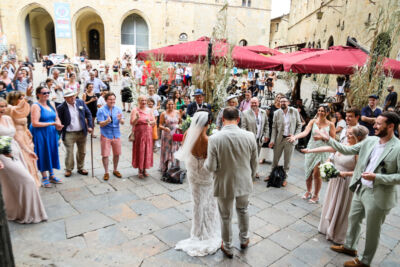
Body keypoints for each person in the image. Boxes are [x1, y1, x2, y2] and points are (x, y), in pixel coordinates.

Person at [315, 112, 400, 267]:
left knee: (372, 230)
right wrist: (328, 139)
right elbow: (348, 150)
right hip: (360, 188)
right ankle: (350, 247)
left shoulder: (398, 147)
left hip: (379, 195)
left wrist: (377, 177)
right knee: (353, 220)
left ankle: (365, 261)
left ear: (391, 126)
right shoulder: (371, 141)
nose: (374, 126)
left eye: (379, 124)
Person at [204, 107, 258, 259]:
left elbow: (211, 166)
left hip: (224, 182)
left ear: (222, 119)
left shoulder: (215, 138)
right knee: (243, 210)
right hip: (244, 181)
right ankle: (244, 238)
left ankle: (227, 246)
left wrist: (205, 165)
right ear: (238, 119)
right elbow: (254, 163)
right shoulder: (250, 136)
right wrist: (250, 178)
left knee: (226, 216)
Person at [302, 125, 368, 244]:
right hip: (335, 180)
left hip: (346, 183)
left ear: (359, 137)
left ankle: (338, 234)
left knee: (341, 207)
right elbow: (329, 149)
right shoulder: (345, 145)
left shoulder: (359, 152)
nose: (347, 136)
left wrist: (344, 173)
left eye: (351, 134)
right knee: (331, 202)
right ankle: (327, 228)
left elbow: (361, 172)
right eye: (347, 133)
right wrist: (310, 151)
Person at [175, 109, 221, 256]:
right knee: (209, 201)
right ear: (209, 123)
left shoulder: (188, 133)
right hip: (206, 175)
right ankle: (207, 231)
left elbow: (184, 149)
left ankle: (196, 231)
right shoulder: (209, 140)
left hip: (193, 173)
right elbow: (213, 162)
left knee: (196, 202)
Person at [0, 99, 48, 223]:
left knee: (15, 184)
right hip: (3, 155)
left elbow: (16, 137)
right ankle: (29, 213)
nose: (3, 109)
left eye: (4, 106)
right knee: (28, 181)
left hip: (16, 152)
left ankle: (20, 212)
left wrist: (28, 151)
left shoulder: (8, 119)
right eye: (0, 107)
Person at [288, 105, 335, 203]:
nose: (320, 112)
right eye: (319, 110)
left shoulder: (331, 125)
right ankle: (308, 191)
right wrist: (295, 137)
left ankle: (316, 195)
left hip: (322, 151)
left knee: (316, 174)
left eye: (322, 111)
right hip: (310, 149)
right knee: (308, 172)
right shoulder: (313, 122)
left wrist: (322, 138)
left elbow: (333, 141)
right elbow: (305, 132)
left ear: (327, 113)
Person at [30, 86, 64, 187]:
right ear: (38, 94)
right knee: (43, 153)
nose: (46, 94)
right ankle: (44, 177)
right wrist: (52, 124)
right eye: (44, 93)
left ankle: (52, 175)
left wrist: (58, 125)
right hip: (40, 133)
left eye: (48, 92)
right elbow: (35, 123)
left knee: (51, 152)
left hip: (51, 132)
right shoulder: (35, 106)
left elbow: (56, 117)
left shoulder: (51, 103)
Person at [57, 89, 93, 177]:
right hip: (69, 133)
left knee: (82, 151)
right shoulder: (61, 107)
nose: (73, 98)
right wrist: (58, 135)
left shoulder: (80, 102)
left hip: (82, 132)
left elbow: (88, 114)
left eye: (73, 95)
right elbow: (59, 121)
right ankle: (69, 169)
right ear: (65, 98)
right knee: (69, 152)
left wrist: (90, 126)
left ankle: (80, 167)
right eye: (70, 97)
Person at [268, 97, 302, 184]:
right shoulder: (276, 113)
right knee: (275, 159)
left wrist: (295, 136)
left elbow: (299, 125)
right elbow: (274, 128)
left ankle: (284, 177)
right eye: (281, 101)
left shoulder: (294, 111)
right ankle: (272, 175)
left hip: (290, 139)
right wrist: (272, 140)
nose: (282, 103)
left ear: (288, 102)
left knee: (287, 160)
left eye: (284, 101)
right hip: (279, 139)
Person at [97, 92, 124, 181]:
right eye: (110, 99)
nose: (112, 101)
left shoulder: (118, 109)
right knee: (105, 154)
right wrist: (106, 121)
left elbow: (122, 122)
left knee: (117, 153)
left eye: (113, 99)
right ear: (105, 100)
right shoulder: (101, 110)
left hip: (116, 134)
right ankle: (106, 172)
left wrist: (120, 119)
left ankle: (115, 170)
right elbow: (100, 124)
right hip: (106, 134)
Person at [130, 95, 156, 178]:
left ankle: (145, 168)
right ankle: (140, 170)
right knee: (140, 150)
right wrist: (137, 118)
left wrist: (150, 122)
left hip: (148, 133)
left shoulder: (149, 110)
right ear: (138, 101)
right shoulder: (135, 110)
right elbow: (132, 123)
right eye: (142, 100)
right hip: (139, 134)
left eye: (145, 100)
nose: (144, 102)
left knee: (147, 150)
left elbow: (154, 122)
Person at [159, 99, 181, 172]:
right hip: (166, 136)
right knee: (167, 151)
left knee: (175, 150)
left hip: (175, 135)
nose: (171, 106)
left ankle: (174, 167)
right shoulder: (163, 114)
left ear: (174, 105)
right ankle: (165, 167)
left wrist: (180, 127)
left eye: (172, 104)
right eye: (169, 104)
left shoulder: (177, 112)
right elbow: (160, 125)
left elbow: (180, 122)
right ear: (166, 105)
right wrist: (165, 128)